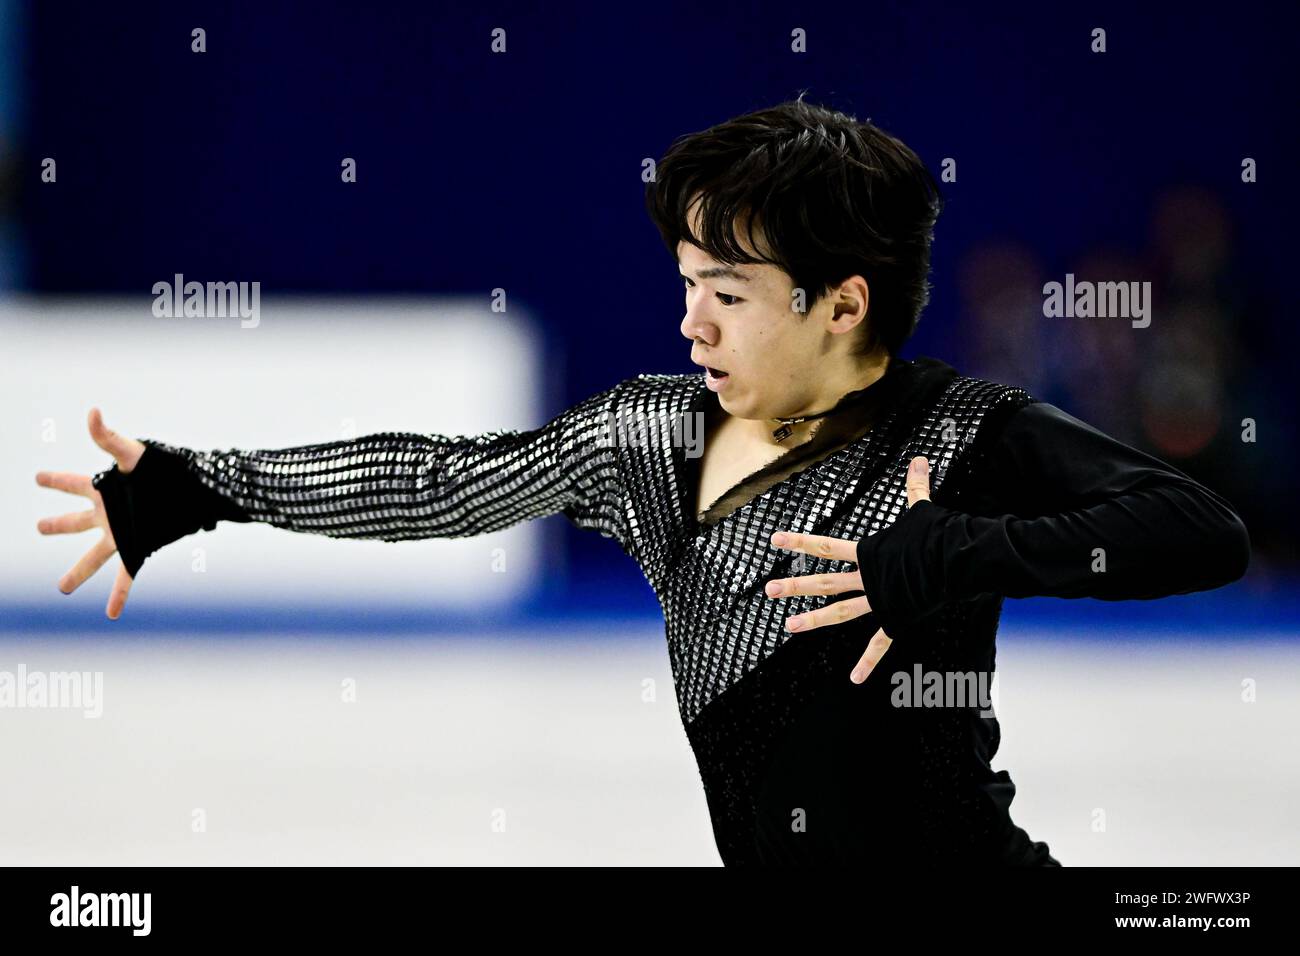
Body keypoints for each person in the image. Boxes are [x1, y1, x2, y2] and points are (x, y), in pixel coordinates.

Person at [35, 97, 1250, 866]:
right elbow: (436, 483)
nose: (692, 325)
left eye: (726, 293)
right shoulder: (653, 441)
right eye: (685, 286)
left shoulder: (957, 430)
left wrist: (945, 553)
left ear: (841, 304)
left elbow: (1197, 530)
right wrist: (203, 486)